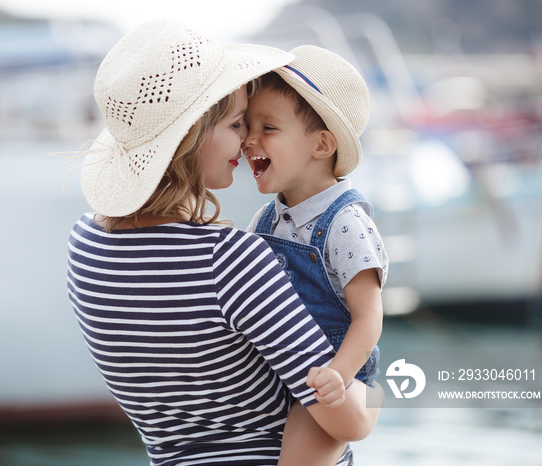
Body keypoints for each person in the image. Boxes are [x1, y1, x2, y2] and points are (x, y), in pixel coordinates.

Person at [64, 20, 378, 465]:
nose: (247, 139)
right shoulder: (230, 260)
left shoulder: (86, 245)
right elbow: (344, 422)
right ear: (191, 136)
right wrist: (377, 391)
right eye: (237, 123)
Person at [244, 45, 388, 464]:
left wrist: (338, 377)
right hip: (282, 373)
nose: (250, 139)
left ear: (322, 144)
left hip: (331, 380)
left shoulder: (345, 224)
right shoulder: (265, 220)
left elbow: (369, 316)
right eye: (248, 126)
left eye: (268, 128)